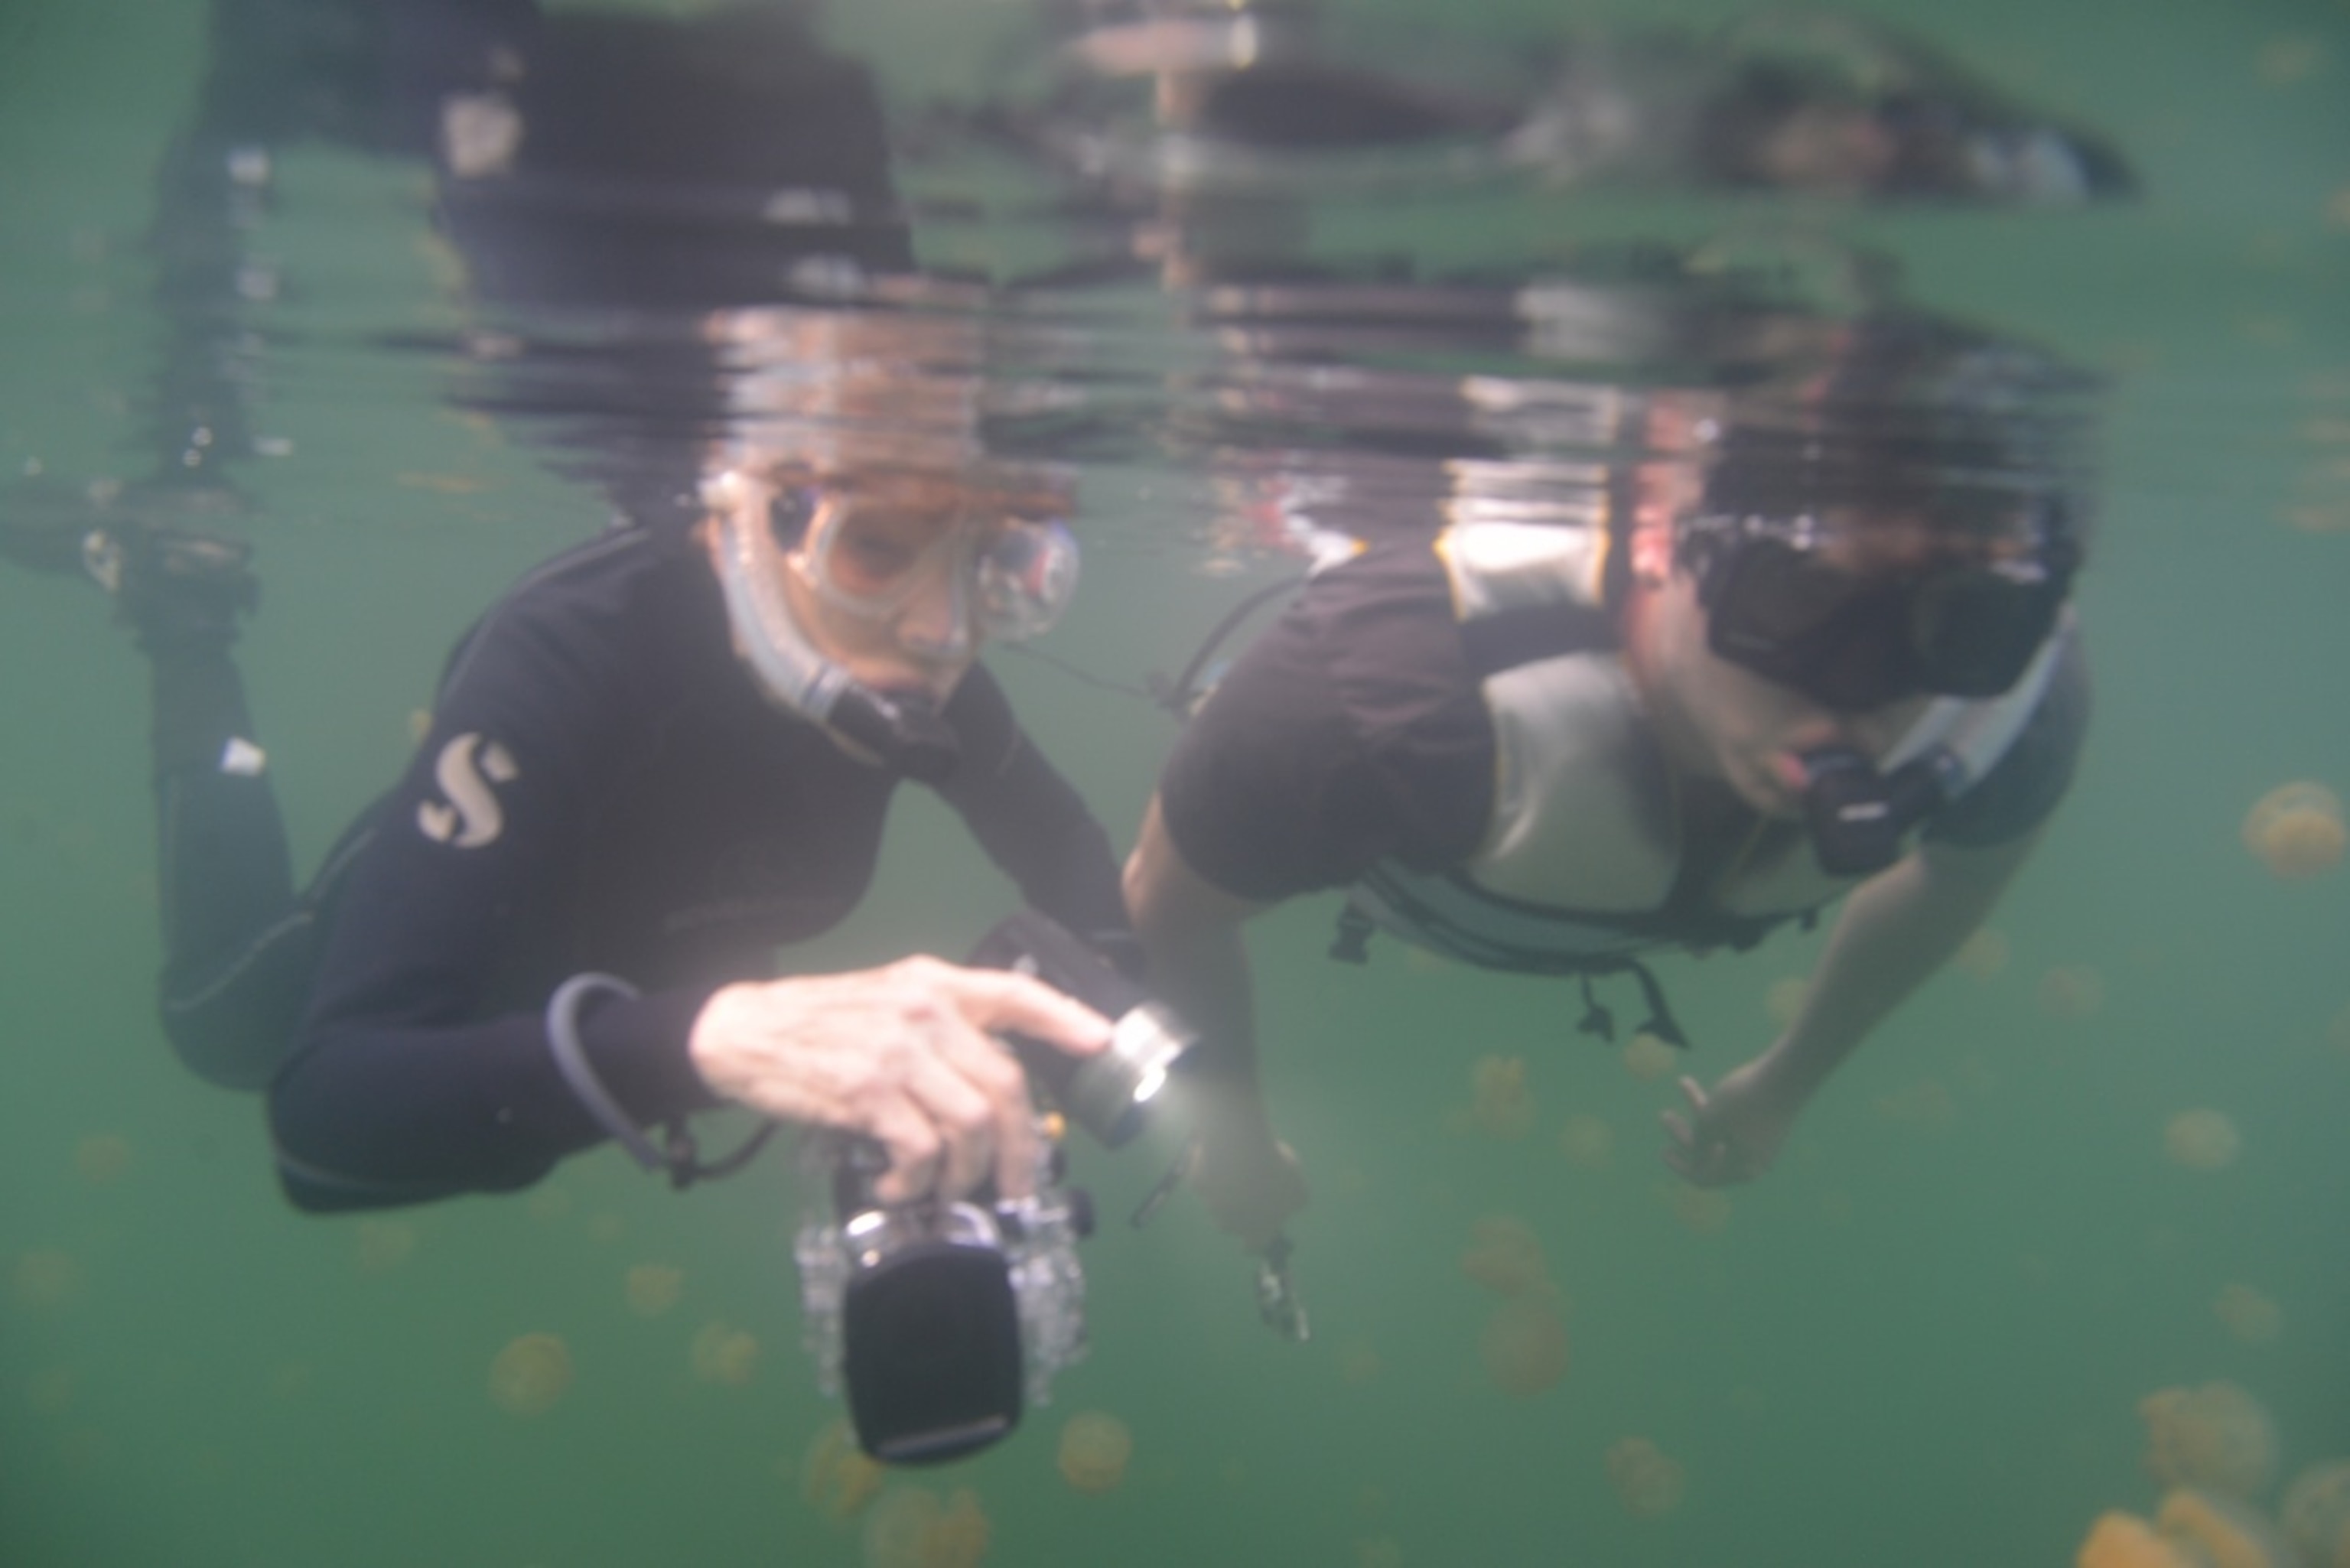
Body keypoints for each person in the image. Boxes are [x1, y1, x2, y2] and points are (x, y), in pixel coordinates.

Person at [0, 1, 1138, 1218]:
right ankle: (183, 611)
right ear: (743, 518)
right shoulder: (576, 644)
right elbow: (325, 1116)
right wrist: (709, 1044)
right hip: (441, 982)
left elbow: (1066, 850)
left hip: (618, 1026)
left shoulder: (922, 676)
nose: (939, 626)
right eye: (878, 550)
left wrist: (1085, 1024)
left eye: (1006, 570)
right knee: (219, 1026)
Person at [1122, 314, 2096, 1251]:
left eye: (1959, 626)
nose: (1865, 696)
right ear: (1663, 542)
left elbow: (1962, 877)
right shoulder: (1384, 691)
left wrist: (1788, 1079)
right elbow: (1170, 899)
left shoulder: (2006, 712)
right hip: (1401, 870)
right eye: (1801, 599)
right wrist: (1235, 1134)